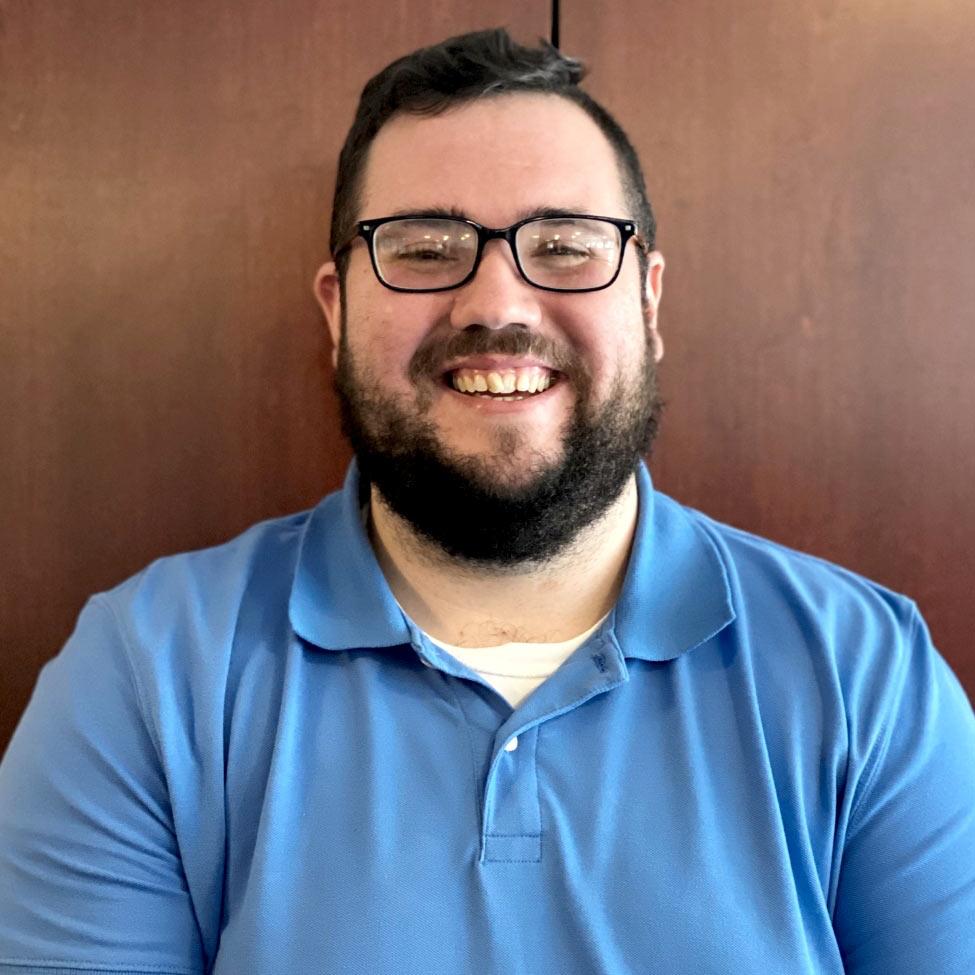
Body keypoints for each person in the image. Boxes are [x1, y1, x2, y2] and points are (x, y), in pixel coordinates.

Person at [1, 28, 973, 975]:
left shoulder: (866, 677)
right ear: (338, 310)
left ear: (649, 300)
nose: (496, 305)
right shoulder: (143, 678)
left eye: (563, 245)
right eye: (425, 249)